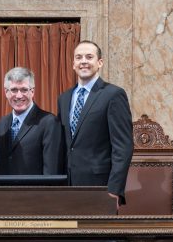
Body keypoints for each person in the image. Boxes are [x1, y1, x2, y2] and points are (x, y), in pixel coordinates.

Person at [57, 40, 133, 205]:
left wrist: (115, 189)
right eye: (79, 57)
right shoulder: (64, 98)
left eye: (89, 57)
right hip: (67, 185)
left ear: (99, 63)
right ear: (73, 64)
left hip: (101, 186)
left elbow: (123, 147)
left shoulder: (113, 94)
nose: (83, 61)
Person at [0, 67, 62, 175]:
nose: (19, 95)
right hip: (5, 191)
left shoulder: (49, 122)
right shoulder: (1, 124)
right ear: (6, 92)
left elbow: (51, 170)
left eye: (24, 90)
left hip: (34, 191)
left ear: (32, 91)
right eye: (14, 90)